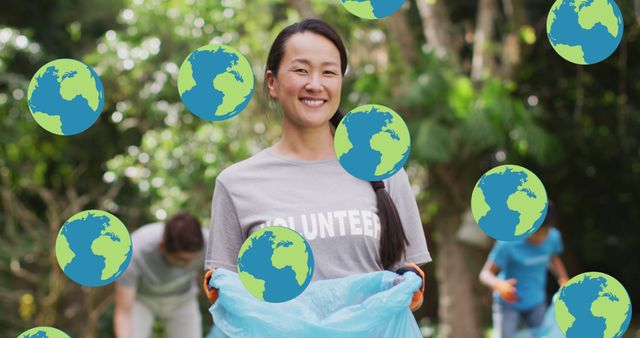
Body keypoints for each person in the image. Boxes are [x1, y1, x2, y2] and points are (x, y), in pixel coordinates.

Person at [202, 18, 431, 313]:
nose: (315, 84)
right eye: (300, 70)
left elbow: (408, 283)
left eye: (328, 72)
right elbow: (229, 296)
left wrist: (412, 289)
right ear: (272, 83)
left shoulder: (383, 171)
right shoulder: (236, 183)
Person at [479, 202, 569, 338]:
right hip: (508, 303)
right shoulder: (507, 243)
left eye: (545, 233)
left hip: (536, 302)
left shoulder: (553, 238)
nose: (540, 238)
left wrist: (563, 279)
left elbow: (553, 258)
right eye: (535, 233)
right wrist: (498, 285)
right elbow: (485, 274)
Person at [114, 212, 208, 338]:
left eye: (193, 258)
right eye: (181, 260)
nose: (188, 265)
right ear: (162, 247)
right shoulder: (132, 252)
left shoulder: (210, 243)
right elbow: (124, 311)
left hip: (183, 300)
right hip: (142, 301)